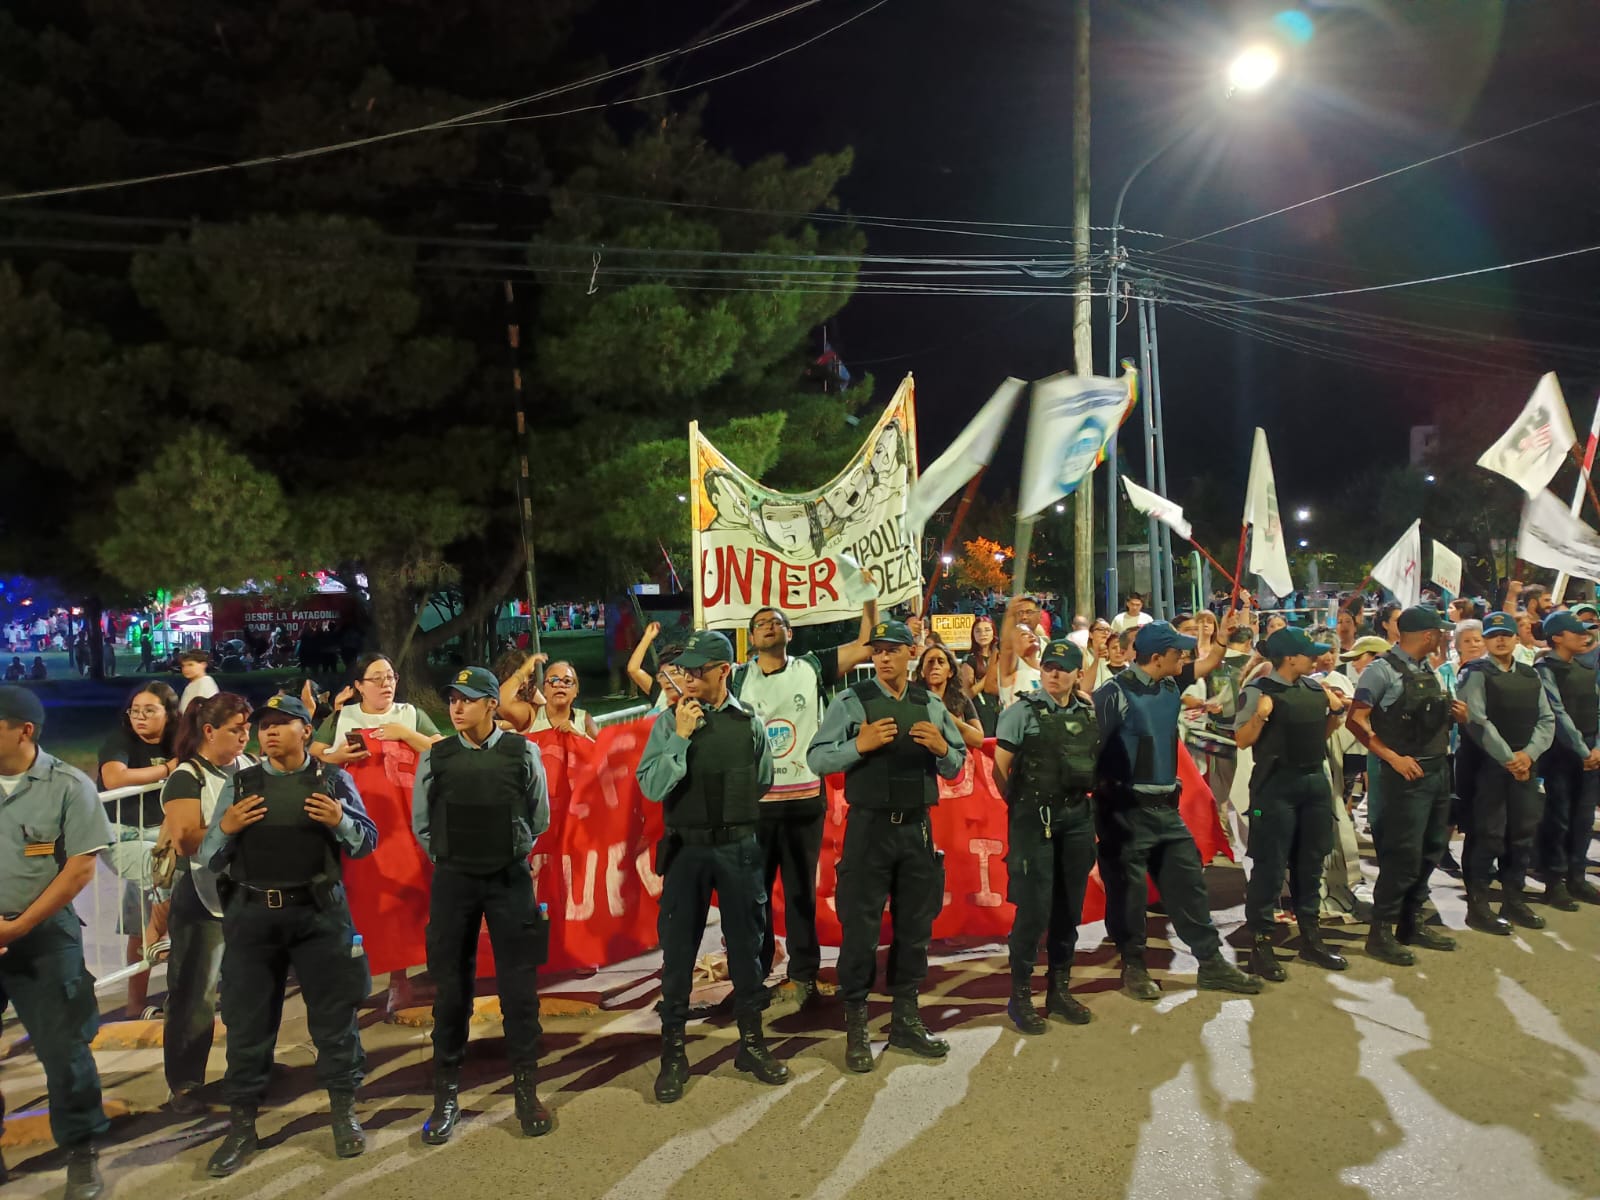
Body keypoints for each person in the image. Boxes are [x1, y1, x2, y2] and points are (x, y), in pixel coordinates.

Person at [200, 693, 379, 1176]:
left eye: (282, 723)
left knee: (335, 1021)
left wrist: (340, 820)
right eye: (264, 725)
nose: (270, 732)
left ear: (306, 731)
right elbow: (209, 856)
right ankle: (242, 1128)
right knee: (247, 1026)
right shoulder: (242, 784)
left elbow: (367, 842)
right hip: (254, 918)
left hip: (318, 916)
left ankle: (343, 1114)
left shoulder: (331, 779)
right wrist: (226, 826)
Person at [807, 619, 968, 1072]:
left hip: (916, 830)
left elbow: (957, 766)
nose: (882, 657)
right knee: (860, 931)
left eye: (892, 649)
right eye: (877, 650)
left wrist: (942, 748)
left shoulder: (929, 704)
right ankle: (857, 1026)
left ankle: (905, 1020)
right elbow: (817, 757)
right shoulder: (852, 701)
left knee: (915, 928)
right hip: (869, 829)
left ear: (910, 653)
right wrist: (857, 746)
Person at [635, 631, 787, 1103]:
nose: (688, 677)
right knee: (679, 955)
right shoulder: (669, 722)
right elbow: (651, 787)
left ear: (724, 671)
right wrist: (681, 738)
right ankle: (673, 1055)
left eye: (698, 670)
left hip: (738, 849)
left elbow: (762, 780)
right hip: (687, 851)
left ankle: (752, 1045)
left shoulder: (749, 723)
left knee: (747, 951)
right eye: (685, 670)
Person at [412, 667, 553, 1143]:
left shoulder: (522, 752)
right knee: (451, 992)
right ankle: (446, 1096)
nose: (456, 707)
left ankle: (526, 1091)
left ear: (493, 704)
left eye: (468, 699)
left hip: (509, 879)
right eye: (453, 699)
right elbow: (422, 825)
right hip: (455, 881)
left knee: (519, 991)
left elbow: (538, 817)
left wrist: (507, 849)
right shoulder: (437, 757)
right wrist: (456, 856)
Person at [1092, 619, 1263, 999]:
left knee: (1189, 887)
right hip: (1124, 814)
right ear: (1157, 657)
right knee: (1128, 897)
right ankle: (1134, 967)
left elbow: (1209, 662)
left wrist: (1221, 640)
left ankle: (1211, 963)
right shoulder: (1112, 694)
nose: (1185, 658)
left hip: (1166, 811)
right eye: (1178, 653)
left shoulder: (1170, 683)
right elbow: (1091, 754)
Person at [0, 686, 113, 1200]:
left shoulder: (68, 785)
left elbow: (79, 869)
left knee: (64, 1051)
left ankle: (81, 1152)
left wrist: (19, 926)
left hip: (44, 935)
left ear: (24, 730)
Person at [734, 598, 875, 1003]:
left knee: (799, 893)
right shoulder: (738, 678)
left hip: (803, 799)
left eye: (776, 621)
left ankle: (803, 974)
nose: (768, 626)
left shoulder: (811, 667)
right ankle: (755, 976)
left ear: (789, 633)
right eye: (761, 623)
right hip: (756, 804)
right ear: (751, 637)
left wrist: (868, 597)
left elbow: (865, 644)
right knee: (754, 895)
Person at [1231, 629, 1351, 980]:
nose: (1316, 658)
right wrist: (1260, 716)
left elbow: (1320, 735)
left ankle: (1311, 938)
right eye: (1308, 654)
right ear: (1289, 658)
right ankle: (1261, 945)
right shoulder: (1258, 691)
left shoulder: (1315, 689)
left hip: (1312, 782)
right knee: (1270, 868)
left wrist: (1334, 714)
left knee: (1310, 864)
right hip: (1275, 785)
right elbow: (1242, 740)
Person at [993, 639, 1098, 1032]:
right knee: (1033, 911)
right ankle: (1020, 996)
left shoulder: (1087, 711)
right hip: (1034, 821)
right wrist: (1023, 809)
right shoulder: (1021, 712)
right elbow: (999, 771)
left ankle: (1059, 992)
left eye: (1063, 668)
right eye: (1049, 667)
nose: (1054, 674)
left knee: (1069, 909)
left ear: (1078, 674)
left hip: (1076, 818)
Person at [158, 692, 255, 1114]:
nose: (245, 737)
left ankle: (247, 1070)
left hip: (245, 893)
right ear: (210, 731)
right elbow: (185, 839)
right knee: (194, 994)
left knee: (247, 987)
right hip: (202, 898)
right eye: (236, 730)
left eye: (247, 728)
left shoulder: (248, 766)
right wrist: (228, 826)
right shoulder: (187, 776)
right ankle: (185, 1084)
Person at [1347, 606, 1458, 966]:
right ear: (1427, 635)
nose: (1444, 636)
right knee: (1402, 856)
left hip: (1436, 770)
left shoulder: (1427, 668)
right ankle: (1380, 934)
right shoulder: (1381, 671)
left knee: (1431, 849)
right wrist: (1393, 758)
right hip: (1404, 777)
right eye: (1440, 631)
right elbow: (1356, 720)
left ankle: (1411, 923)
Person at [1457, 612, 1555, 934]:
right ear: (1485, 639)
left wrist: (1528, 755)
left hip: (1524, 765)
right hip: (1487, 767)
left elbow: (1546, 719)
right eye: (1493, 635)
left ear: (1516, 638)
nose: (1500, 640)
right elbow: (1477, 720)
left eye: (1506, 634)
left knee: (1522, 835)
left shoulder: (1530, 674)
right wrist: (1509, 758)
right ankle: (1478, 907)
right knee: (1487, 836)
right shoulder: (1474, 672)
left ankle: (1513, 899)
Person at [98, 681, 181, 1019]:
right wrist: (167, 769)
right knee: (166, 872)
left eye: (149, 710)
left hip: (161, 834)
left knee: (141, 921)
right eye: (135, 711)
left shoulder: (179, 740)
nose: (140, 717)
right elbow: (114, 779)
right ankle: (158, 939)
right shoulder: (120, 740)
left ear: (168, 713)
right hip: (124, 835)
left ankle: (137, 1005)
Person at [1532, 611, 1600, 910]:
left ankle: (1577, 876)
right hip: (1560, 756)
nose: (1585, 636)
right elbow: (1556, 713)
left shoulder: (1585, 669)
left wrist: (1597, 748)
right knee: (1558, 819)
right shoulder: (1544, 669)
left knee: (1583, 819)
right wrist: (1584, 751)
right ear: (1557, 637)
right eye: (1577, 632)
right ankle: (1554, 881)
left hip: (1590, 754)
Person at [311, 652, 444, 766]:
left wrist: (406, 734)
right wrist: (335, 758)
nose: (386, 684)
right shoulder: (342, 717)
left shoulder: (411, 714)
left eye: (390, 677)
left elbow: (443, 751)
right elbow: (312, 758)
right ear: (359, 685)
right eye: (376, 678)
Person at [919, 645, 985, 750]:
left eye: (941, 662)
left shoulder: (962, 699)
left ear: (950, 672)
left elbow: (978, 740)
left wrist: (945, 715)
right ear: (922, 672)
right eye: (930, 662)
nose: (935, 666)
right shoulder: (914, 699)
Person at [177, 649, 219, 713]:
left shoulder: (206, 683)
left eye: (190, 665)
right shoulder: (191, 685)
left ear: (203, 665)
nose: (186, 669)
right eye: (183, 666)